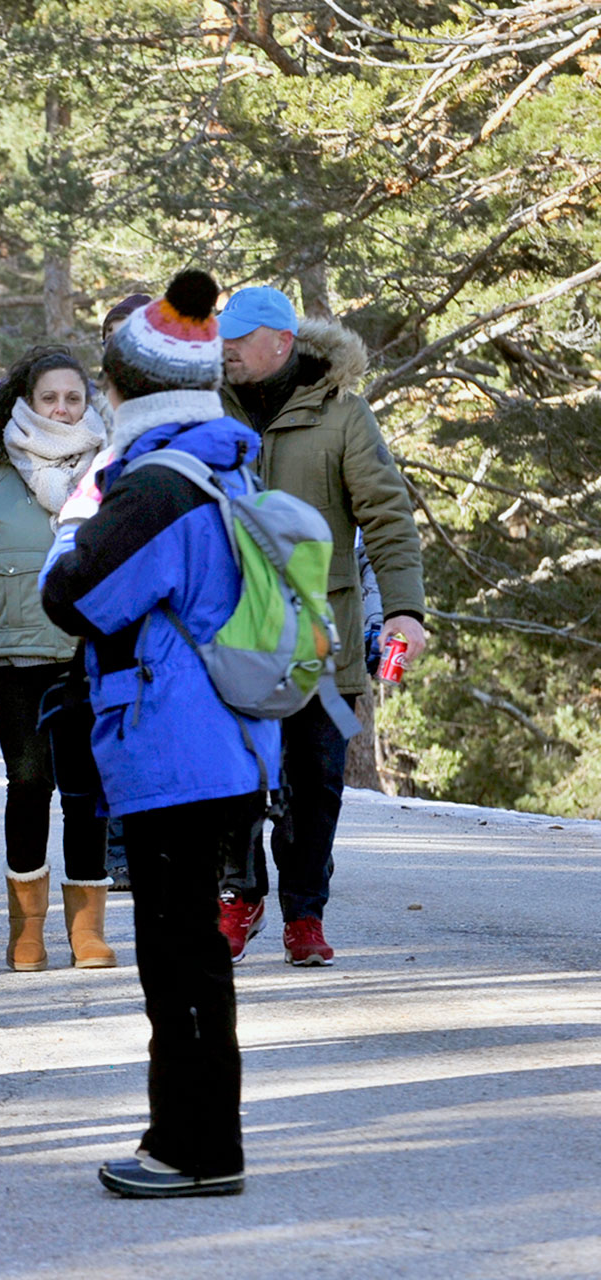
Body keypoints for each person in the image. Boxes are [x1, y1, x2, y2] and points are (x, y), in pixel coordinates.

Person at [38, 269, 278, 1199]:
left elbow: (76, 598)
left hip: (175, 744)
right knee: (191, 952)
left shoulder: (155, 488)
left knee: (178, 957)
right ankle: (195, 1140)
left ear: (122, 386)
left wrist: (72, 531)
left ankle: (194, 1150)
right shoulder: (224, 461)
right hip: (226, 737)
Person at [214, 286, 427, 966]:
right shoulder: (204, 407)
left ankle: (305, 912)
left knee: (315, 786)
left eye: (240, 339)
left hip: (318, 636)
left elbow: (387, 516)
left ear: (281, 342)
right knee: (230, 778)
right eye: (222, 337)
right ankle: (239, 895)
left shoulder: (341, 413)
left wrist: (404, 609)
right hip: (229, 633)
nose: (226, 349)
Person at [0, 345, 114, 969]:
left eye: (73, 398)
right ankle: (27, 931)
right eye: (50, 398)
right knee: (29, 782)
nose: (62, 409)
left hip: (93, 655)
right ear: (26, 403)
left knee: (87, 789)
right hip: (16, 656)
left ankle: (88, 931)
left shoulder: (113, 471)